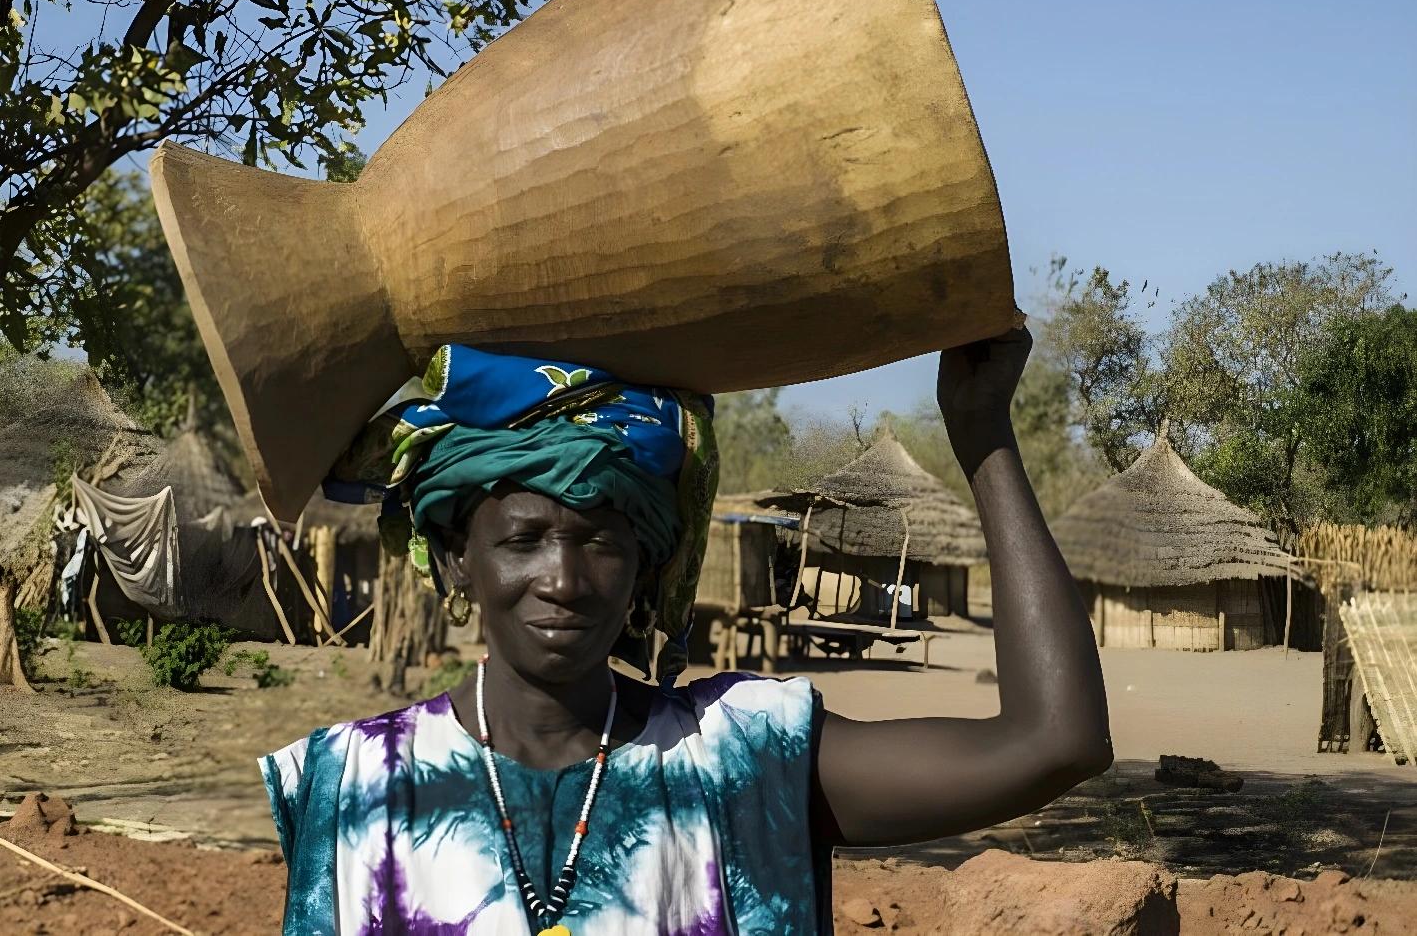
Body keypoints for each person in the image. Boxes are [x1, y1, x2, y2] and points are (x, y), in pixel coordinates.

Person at [260, 329, 1112, 934]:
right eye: (522, 539)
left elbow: (1054, 741)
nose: (562, 578)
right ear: (456, 561)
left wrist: (983, 433)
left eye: (600, 539)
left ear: (647, 568)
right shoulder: (357, 784)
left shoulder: (735, 759)